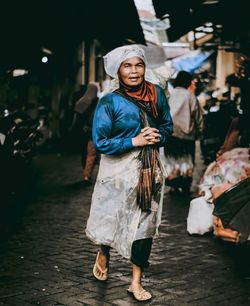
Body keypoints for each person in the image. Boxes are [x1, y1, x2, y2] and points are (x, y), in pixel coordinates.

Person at [85, 45, 173, 302]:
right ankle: (104, 251)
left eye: (139, 65)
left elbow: (167, 125)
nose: (134, 71)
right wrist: (134, 141)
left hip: (149, 170)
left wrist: (159, 135)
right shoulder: (108, 101)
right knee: (111, 218)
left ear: (145, 68)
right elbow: (101, 142)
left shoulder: (156, 93)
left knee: (145, 224)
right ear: (118, 71)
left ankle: (136, 282)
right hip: (117, 171)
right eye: (127, 66)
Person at [164, 70, 203, 195]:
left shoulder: (169, 95)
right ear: (187, 82)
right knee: (187, 161)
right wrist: (201, 131)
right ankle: (185, 186)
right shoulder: (190, 96)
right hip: (187, 136)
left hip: (170, 134)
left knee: (172, 160)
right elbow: (198, 116)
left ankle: (174, 185)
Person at [74, 82, 99, 185]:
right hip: (91, 130)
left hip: (81, 131)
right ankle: (87, 174)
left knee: (85, 152)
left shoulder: (80, 102)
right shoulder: (97, 102)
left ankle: (86, 172)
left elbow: (76, 118)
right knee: (91, 153)